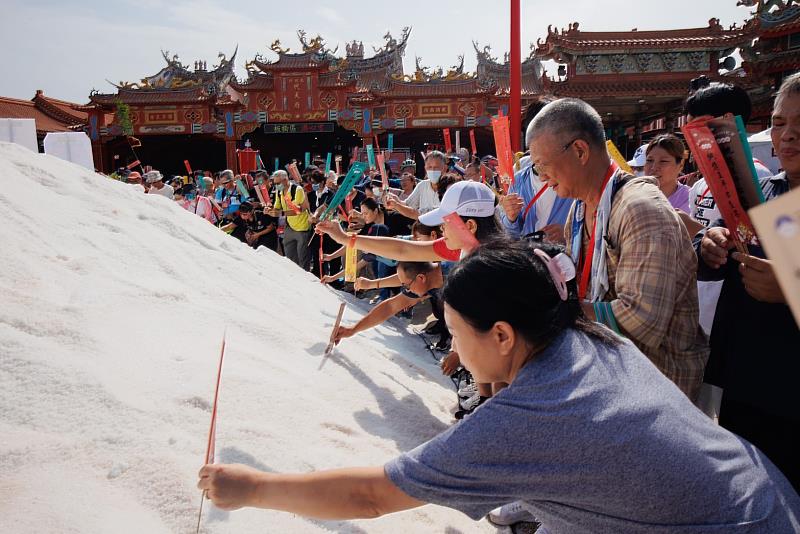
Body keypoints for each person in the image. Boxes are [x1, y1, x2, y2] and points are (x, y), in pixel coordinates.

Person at [198, 240, 800, 533]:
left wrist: (250, 486)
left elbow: (370, 497)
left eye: (457, 334)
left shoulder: (531, 414)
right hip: (769, 498)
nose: (453, 351)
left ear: (505, 334)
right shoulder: (585, 336)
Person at [527, 98, 707, 401]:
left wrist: (549, 313)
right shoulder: (581, 208)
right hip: (612, 375)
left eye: (542, 165)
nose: (541, 176)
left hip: (656, 388)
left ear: (580, 151)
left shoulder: (640, 208)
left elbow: (641, 321)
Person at [696, 72, 800, 491]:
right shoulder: (763, 194)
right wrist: (709, 245)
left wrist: (791, 291)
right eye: (779, 123)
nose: (788, 136)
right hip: (747, 386)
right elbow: (720, 255)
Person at [499, 155, 572, 242]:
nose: (543, 178)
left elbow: (588, 224)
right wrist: (511, 219)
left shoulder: (571, 177)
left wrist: (568, 233)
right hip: (530, 252)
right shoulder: (518, 180)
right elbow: (511, 234)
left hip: (565, 253)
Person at [269, 170, 312, 268]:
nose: (276, 185)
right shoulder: (279, 191)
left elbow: (299, 210)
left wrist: (281, 213)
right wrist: (270, 210)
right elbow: (277, 207)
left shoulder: (297, 189)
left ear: (285, 180)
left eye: (277, 183)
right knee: (290, 257)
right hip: (289, 227)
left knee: (303, 258)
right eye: (274, 183)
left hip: (302, 228)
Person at [385, 151, 445, 219]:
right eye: (429, 167)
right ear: (425, 168)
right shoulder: (422, 185)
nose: (433, 170)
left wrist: (397, 205)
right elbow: (408, 205)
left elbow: (415, 213)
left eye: (436, 167)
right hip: (423, 228)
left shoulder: (450, 187)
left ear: (444, 168)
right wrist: (395, 200)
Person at [643, 134, 691, 213]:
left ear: (680, 165)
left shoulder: (692, 199)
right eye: (649, 160)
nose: (654, 167)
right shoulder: (633, 196)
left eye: (663, 161)